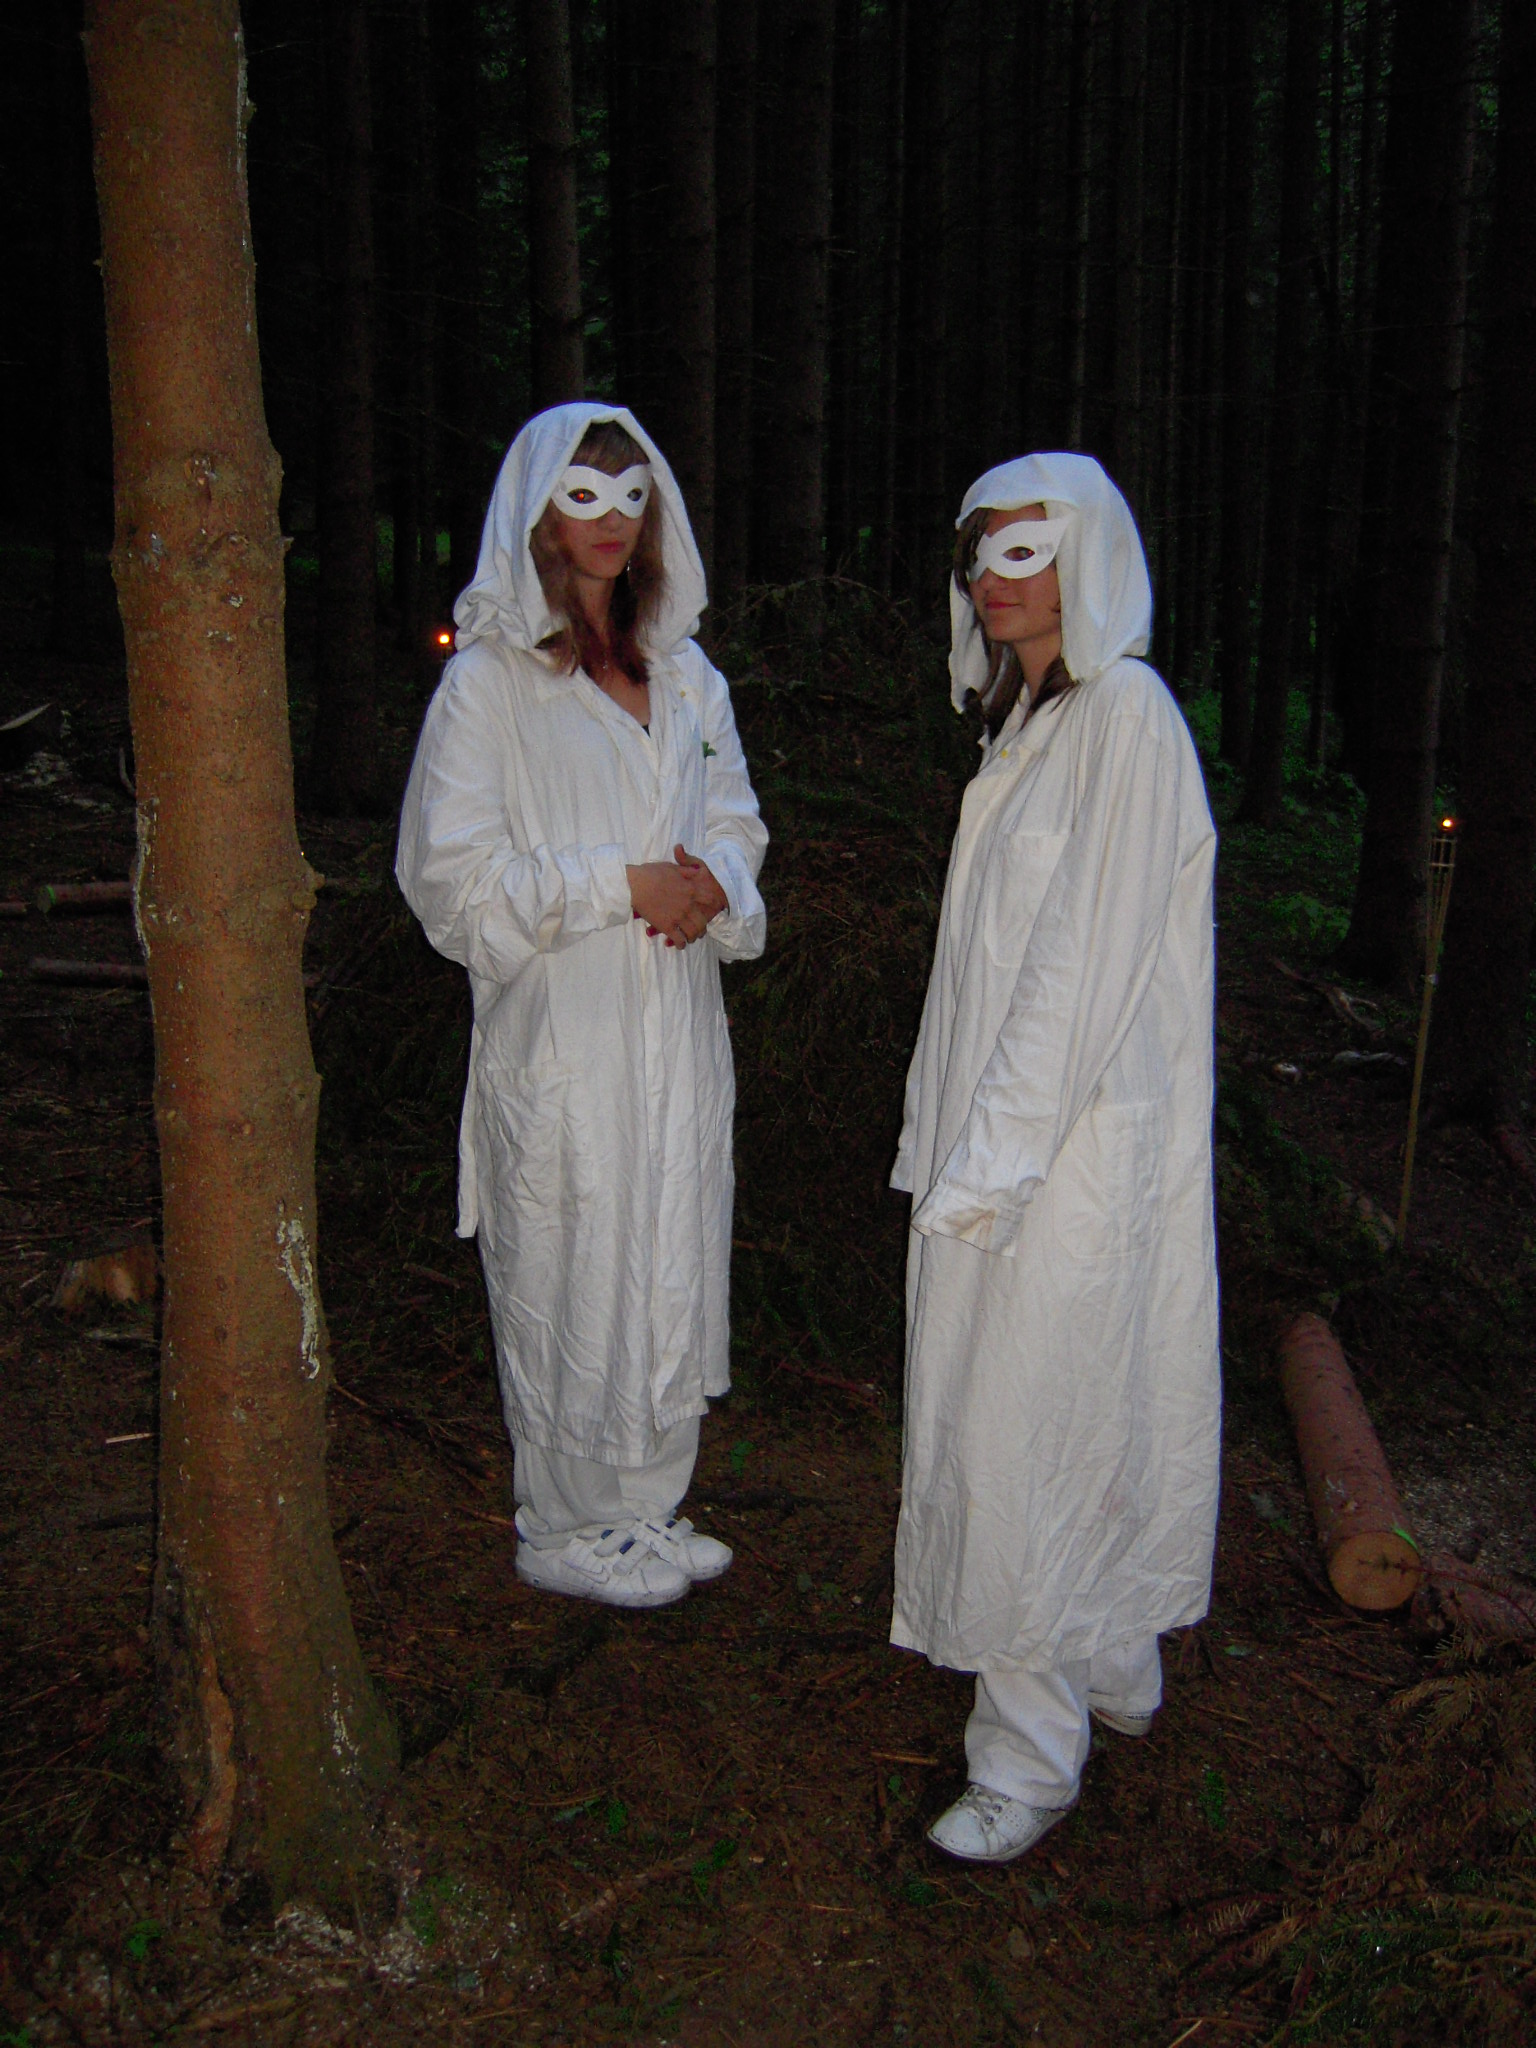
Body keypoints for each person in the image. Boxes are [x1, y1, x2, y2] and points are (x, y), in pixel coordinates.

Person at [890, 453, 1220, 1862]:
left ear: (1091, 559)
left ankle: (1027, 1755)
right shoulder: (1028, 729)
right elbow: (982, 970)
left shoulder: (1125, 718)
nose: (995, 578)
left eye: (1027, 551)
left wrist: (990, 1166)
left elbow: (1080, 966)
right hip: (1019, 1146)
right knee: (1076, 1406)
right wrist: (944, 1137)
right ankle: (1106, 1650)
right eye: (981, 553)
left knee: (1024, 1428)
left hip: (1063, 1156)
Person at [397, 401, 767, 1610]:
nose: (611, 520)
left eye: (631, 495)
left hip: (677, 1026)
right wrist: (618, 885)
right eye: (584, 494)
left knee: (668, 1244)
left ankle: (645, 1503)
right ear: (538, 511)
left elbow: (736, 815)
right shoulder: (492, 686)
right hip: (566, 1030)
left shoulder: (689, 675)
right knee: (569, 1258)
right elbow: (450, 881)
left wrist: (716, 883)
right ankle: (562, 1519)